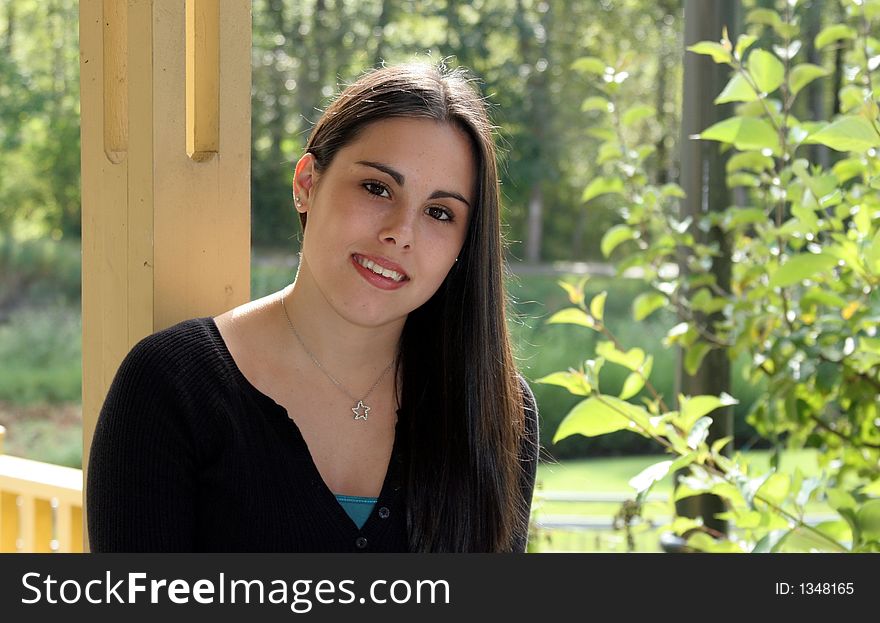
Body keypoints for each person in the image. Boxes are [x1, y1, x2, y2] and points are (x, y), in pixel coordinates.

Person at [87, 62, 539, 553]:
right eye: (377, 188)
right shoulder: (170, 387)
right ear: (307, 183)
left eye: (439, 213)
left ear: (463, 245)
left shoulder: (496, 408)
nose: (400, 233)